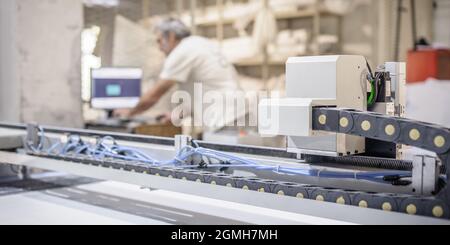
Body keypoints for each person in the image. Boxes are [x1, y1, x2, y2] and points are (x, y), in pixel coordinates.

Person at [114, 18, 240, 134]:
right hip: (237, 113)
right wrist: (175, 116)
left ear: (171, 36)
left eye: (159, 41)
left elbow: (155, 94)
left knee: (222, 158)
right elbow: (200, 93)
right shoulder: (200, 43)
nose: (159, 48)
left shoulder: (182, 51)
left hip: (224, 119)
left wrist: (129, 112)